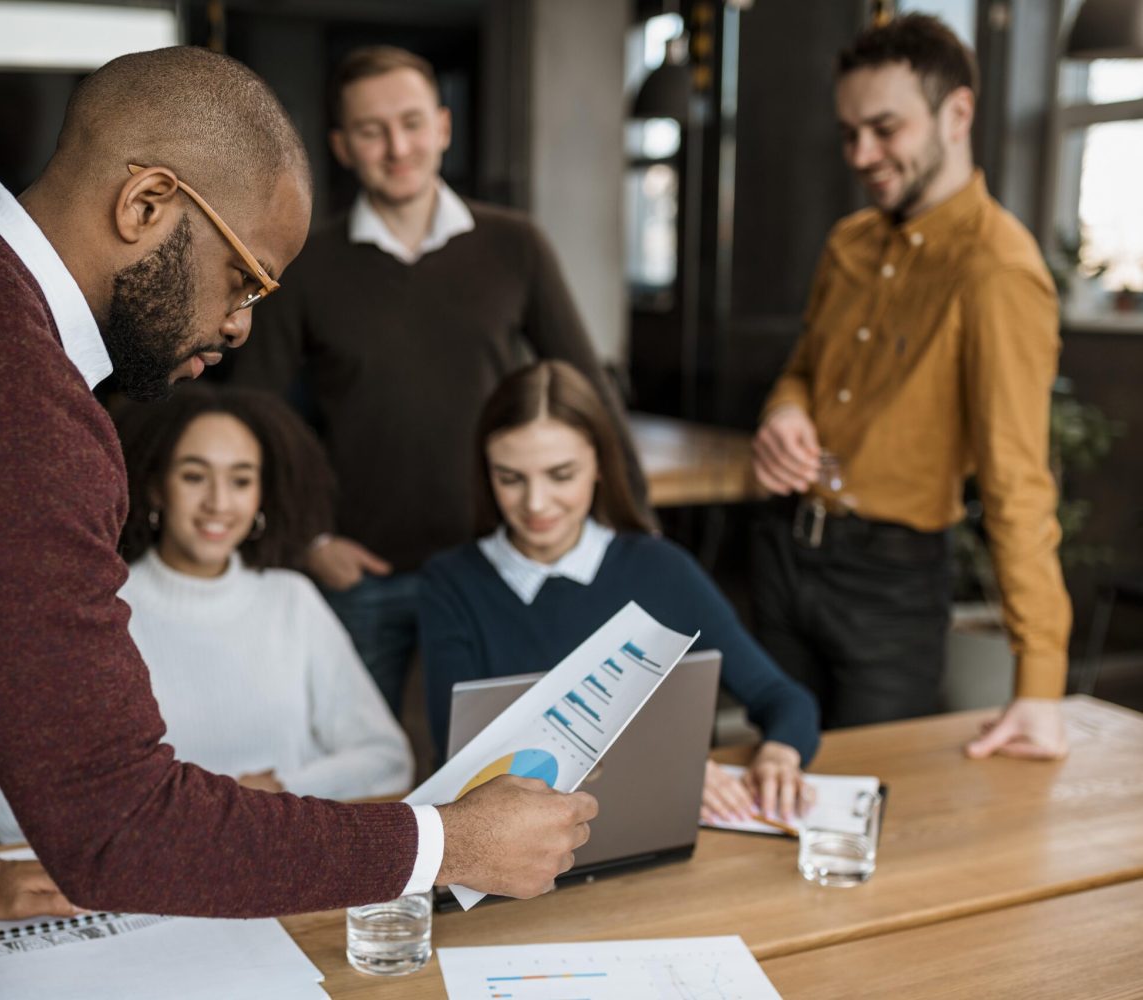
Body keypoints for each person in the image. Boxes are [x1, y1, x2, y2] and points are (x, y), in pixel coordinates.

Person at [0, 47, 595, 998]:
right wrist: (448, 842)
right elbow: (118, 826)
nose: (240, 327)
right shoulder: (9, 398)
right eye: (244, 280)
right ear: (146, 204)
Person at [228, 45, 644, 718]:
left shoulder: (514, 245)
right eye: (372, 130)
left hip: (498, 561)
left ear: (444, 127)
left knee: (507, 758)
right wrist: (308, 541)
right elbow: (253, 417)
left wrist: (638, 538)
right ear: (340, 145)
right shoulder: (305, 264)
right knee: (365, 773)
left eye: (413, 122)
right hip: (362, 571)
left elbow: (587, 393)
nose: (398, 147)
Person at [749, 15, 1070, 759]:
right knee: (766, 784)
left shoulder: (999, 272)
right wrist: (786, 411)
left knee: (867, 804)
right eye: (849, 132)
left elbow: (1018, 481)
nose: (861, 154)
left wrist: (1040, 683)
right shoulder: (847, 243)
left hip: (888, 585)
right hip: (786, 549)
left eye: (885, 129)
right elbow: (802, 367)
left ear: (957, 114)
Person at [0, 384, 413, 842]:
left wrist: (278, 791)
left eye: (241, 480)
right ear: (155, 487)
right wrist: (205, 808)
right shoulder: (98, 609)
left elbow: (388, 761)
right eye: (194, 476)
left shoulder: (292, 600)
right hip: (149, 879)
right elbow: (13, 813)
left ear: (261, 496)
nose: (218, 503)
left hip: (284, 858)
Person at [420, 361, 821, 824]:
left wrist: (779, 756)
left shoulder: (662, 569)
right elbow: (463, 753)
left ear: (599, 466)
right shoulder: (450, 583)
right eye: (510, 478)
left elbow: (783, 697)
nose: (535, 503)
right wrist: (663, 762)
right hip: (510, 845)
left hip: (649, 830)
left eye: (561, 474)